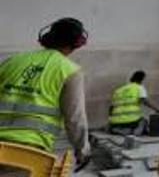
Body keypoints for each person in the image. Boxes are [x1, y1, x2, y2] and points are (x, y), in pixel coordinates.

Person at [0, 18, 91, 172]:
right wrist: (83, 151)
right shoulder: (70, 70)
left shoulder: (11, 61)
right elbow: (75, 118)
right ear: (76, 44)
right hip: (29, 150)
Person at [108, 71, 159, 136]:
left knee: (122, 125)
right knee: (143, 121)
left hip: (115, 122)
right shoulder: (139, 87)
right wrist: (157, 109)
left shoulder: (119, 90)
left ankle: (118, 129)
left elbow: (111, 108)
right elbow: (144, 101)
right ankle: (132, 132)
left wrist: (111, 120)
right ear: (141, 80)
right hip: (132, 120)